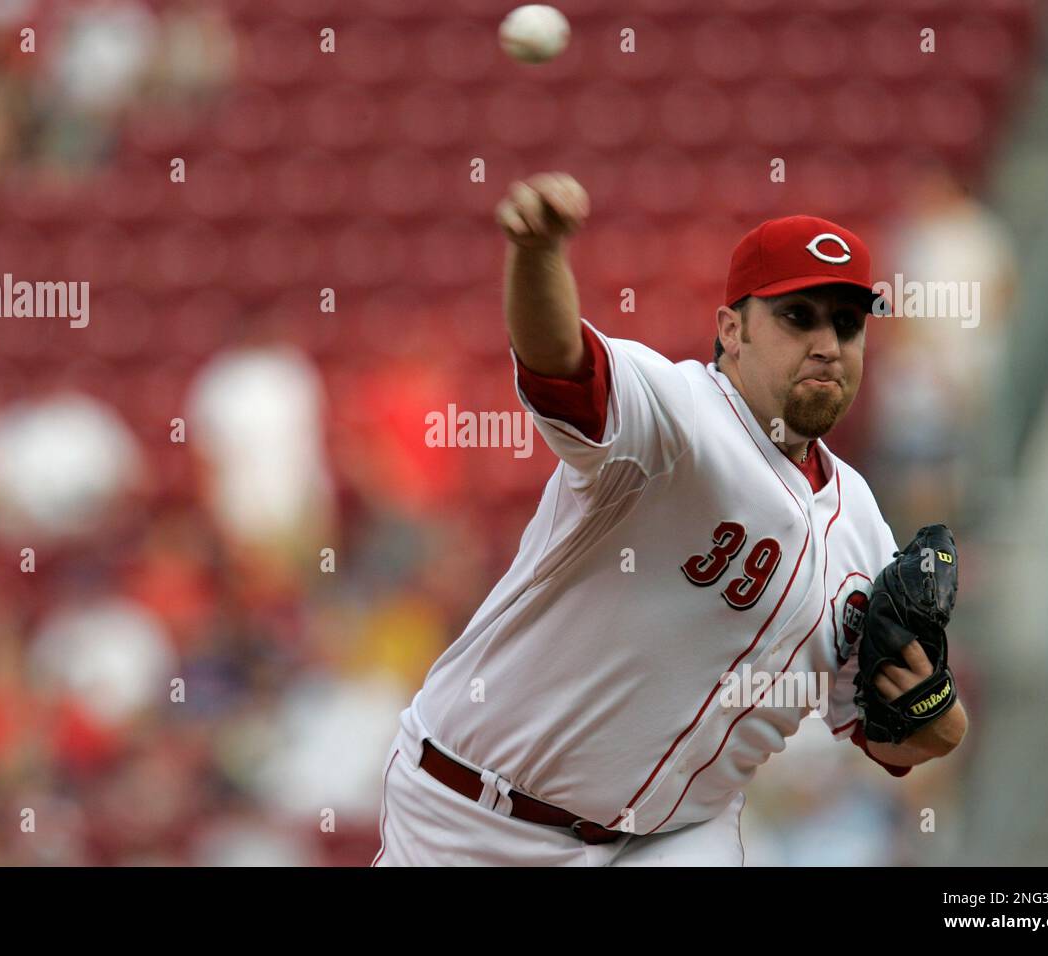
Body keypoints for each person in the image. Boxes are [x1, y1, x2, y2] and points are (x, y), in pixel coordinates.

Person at [372, 173, 968, 866]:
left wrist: (938, 714)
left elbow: (891, 735)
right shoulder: (677, 418)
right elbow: (559, 364)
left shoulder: (864, 528)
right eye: (797, 316)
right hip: (476, 818)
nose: (827, 343)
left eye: (847, 324)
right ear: (732, 331)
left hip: (674, 839)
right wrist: (537, 255)